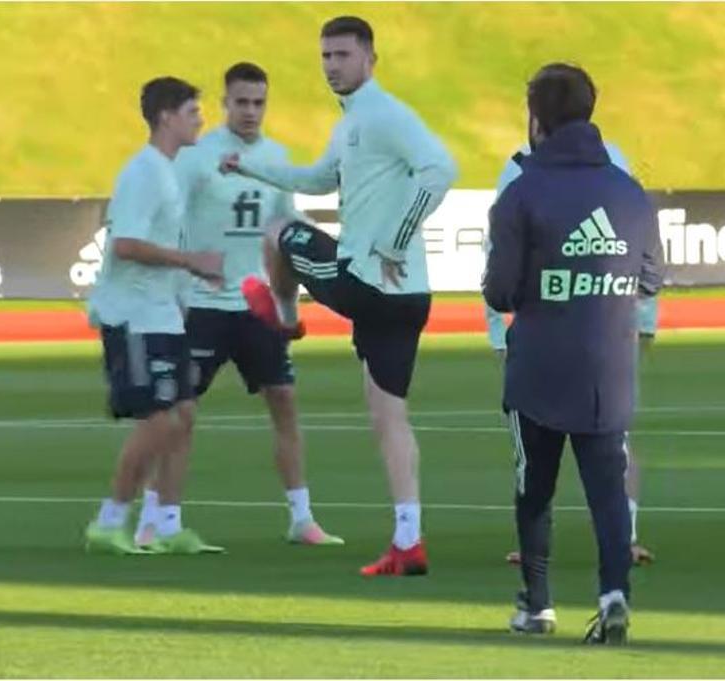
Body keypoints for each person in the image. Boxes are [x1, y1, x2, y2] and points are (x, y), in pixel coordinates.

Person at [220, 15, 457, 576]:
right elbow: (319, 179)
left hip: (369, 282)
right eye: (326, 56)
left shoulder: (384, 114)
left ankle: (283, 316)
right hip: (405, 296)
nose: (332, 66)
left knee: (277, 232)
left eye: (343, 56)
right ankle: (408, 541)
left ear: (370, 58)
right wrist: (251, 165)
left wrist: (396, 238)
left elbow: (440, 169)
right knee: (388, 416)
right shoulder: (353, 123)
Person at [484, 63, 661, 643]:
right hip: (609, 367)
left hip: (539, 364)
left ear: (535, 118)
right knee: (608, 491)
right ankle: (614, 593)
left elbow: (500, 290)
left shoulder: (522, 191)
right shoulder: (628, 191)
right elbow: (652, 277)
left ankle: (536, 604)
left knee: (534, 489)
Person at [133, 62, 343, 548]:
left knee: (285, 402)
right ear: (225, 104)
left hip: (257, 305)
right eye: (242, 102)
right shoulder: (196, 158)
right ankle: (154, 520)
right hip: (201, 305)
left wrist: (291, 301)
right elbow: (165, 219)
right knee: (177, 413)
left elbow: (283, 230)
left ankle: (301, 519)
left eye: (259, 102)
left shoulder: (276, 157)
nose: (251, 111)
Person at [82, 76, 226, 556]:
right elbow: (125, 244)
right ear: (166, 116)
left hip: (163, 313)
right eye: (191, 111)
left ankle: (166, 523)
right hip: (134, 316)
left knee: (183, 415)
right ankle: (109, 521)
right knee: (160, 421)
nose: (200, 119)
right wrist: (191, 263)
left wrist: (190, 282)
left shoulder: (166, 170)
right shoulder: (142, 172)